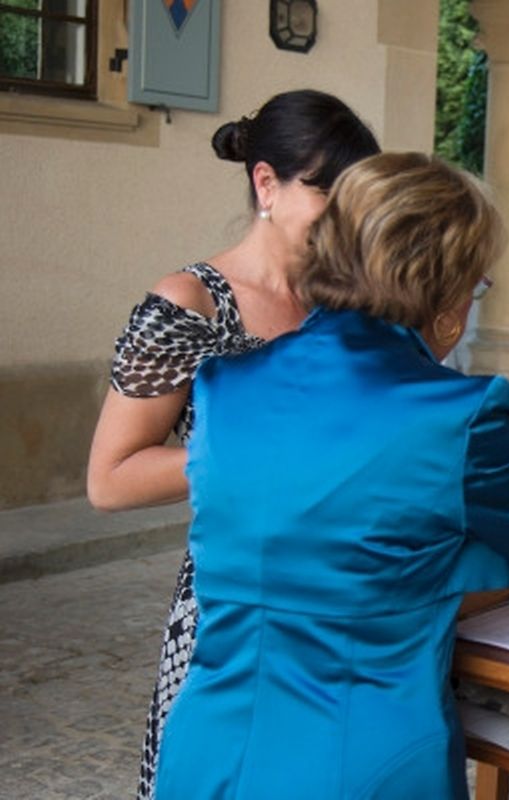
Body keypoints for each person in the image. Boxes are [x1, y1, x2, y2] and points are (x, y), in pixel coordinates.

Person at [152, 152, 509, 800]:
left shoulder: (224, 387)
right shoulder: (458, 417)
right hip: (361, 764)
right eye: (476, 285)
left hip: (207, 752)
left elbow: (332, 553)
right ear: (445, 293)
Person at [85, 89, 380, 799]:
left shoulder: (352, 302)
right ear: (266, 183)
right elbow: (111, 478)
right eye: (327, 192)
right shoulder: (189, 302)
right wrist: (262, 453)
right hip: (233, 603)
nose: (347, 216)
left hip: (347, 599)